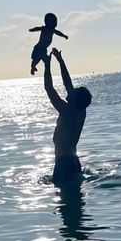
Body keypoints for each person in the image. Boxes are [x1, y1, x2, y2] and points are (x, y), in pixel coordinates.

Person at [43, 48, 92, 185]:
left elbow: (49, 89)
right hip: (74, 161)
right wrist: (60, 61)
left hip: (64, 163)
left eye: (74, 92)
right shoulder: (81, 111)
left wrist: (47, 65)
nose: (71, 90)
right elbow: (68, 83)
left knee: (65, 204)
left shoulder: (66, 111)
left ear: (75, 99)